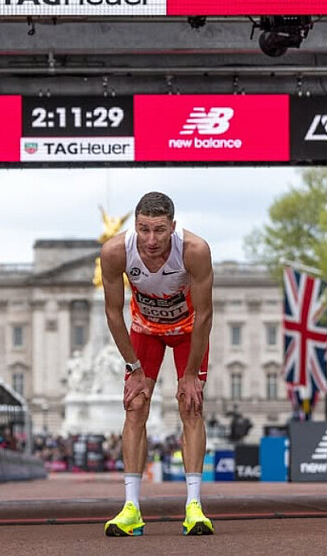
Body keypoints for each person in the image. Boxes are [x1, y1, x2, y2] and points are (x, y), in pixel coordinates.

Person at [101, 191, 215, 538]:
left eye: (159, 230)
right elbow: (113, 313)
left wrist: (191, 374)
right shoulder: (115, 252)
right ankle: (131, 508)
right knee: (135, 405)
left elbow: (205, 315)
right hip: (145, 331)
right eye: (144, 230)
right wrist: (133, 368)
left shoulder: (195, 250)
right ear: (135, 226)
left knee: (190, 405)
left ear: (173, 227)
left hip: (188, 331)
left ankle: (194, 506)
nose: (151, 240)